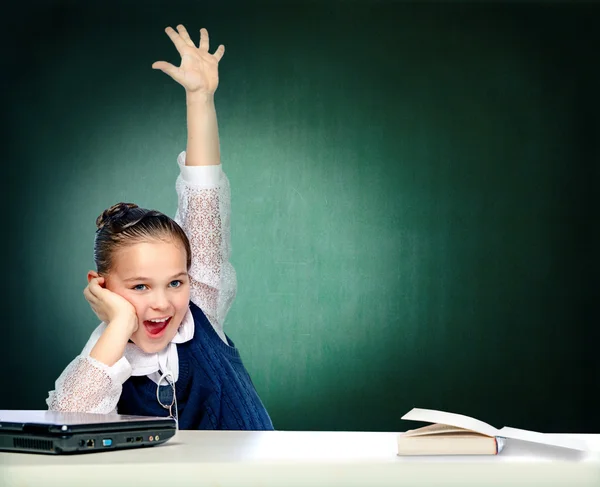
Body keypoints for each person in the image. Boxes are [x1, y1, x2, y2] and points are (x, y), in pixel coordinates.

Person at [46, 24, 274, 430]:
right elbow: (67, 425)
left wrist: (200, 99)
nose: (162, 303)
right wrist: (119, 324)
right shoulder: (102, 359)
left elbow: (204, 196)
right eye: (139, 286)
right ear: (101, 287)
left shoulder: (199, 309)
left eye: (175, 282)